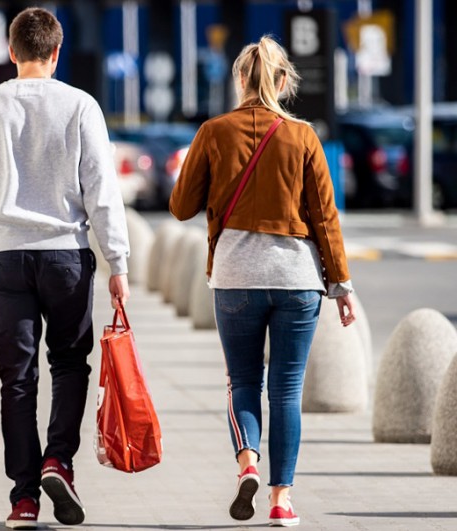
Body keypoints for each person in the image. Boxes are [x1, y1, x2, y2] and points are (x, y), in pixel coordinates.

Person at [0, 7, 130, 530]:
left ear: (11, 52)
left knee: (16, 378)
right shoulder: (81, 106)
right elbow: (102, 193)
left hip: (4, 257)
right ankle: (59, 461)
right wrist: (118, 262)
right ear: (56, 51)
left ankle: (23, 498)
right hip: (66, 256)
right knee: (70, 364)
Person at [169, 36, 356, 527]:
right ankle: (282, 499)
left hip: (236, 276)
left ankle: (247, 462)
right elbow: (325, 218)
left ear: (239, 81)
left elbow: (180, 206)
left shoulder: (214, 131)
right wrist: (340, 286)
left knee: (243, 381)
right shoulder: (303, 136)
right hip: (297, 279)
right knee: (287, 391)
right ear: (280, 81)